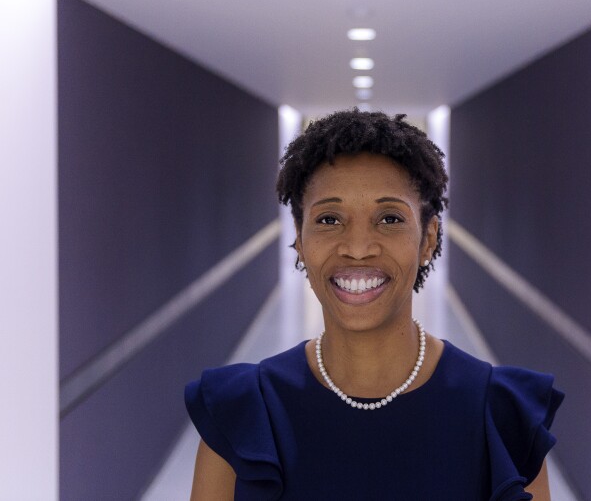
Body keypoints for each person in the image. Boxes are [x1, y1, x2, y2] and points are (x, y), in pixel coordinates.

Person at [185, 109, 563, 500]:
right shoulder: (241, 415)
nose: (358, 248)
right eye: (330, 219)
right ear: (300, 239)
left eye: (389, 218)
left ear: (428, 239)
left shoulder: (503, 420)